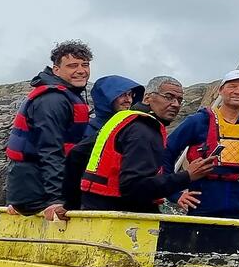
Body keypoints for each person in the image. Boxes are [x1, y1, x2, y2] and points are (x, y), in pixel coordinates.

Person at [80, 76, 214, 214]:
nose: (176, 104)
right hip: (118, 216)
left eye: (180, 100)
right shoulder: (144, 130)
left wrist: (65, 203)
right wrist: (187, 175)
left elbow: (76, 155)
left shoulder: (121, 120)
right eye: (168, 97)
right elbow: (134, 187)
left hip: (94, 208)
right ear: (147, 98)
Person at [164, 70, 239, 220]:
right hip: (201, 206)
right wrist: (174, 194)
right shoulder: (198, 121)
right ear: (221, 91)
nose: (237, 91)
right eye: (232, 86)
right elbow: (167, 151)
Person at [6, 40, 93, 222]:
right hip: (36, 189)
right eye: (72, 65)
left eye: (85, 65)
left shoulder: (67, 96)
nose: (81, 70)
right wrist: (56, 200)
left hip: (32, 185)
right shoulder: (53, 101)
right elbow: (50, 150)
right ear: (56, 70)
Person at [63, 75, 143, 210]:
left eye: (130, 94)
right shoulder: (86, 129)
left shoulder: (132, 128)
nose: (128, 100)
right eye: (122, 95)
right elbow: (71, 165)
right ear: (106, 98)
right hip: (88, 201)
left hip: (122, 199)